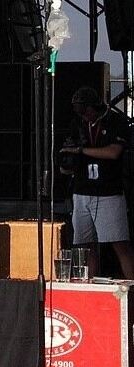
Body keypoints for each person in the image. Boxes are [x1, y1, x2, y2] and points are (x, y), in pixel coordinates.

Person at [60, 85, 134, 278]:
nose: (84, 116)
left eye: (86, 111)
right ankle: (89, 285)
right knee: (85, 245)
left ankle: (131, 290)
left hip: (108, 191)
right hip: (82, 190)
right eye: (80, 112)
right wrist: (68, 161)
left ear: (95, 106)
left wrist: (81, 151)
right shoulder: (78, 123)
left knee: (119, 244)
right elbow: (69, 151)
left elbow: (113, 152)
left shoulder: (115, 121)